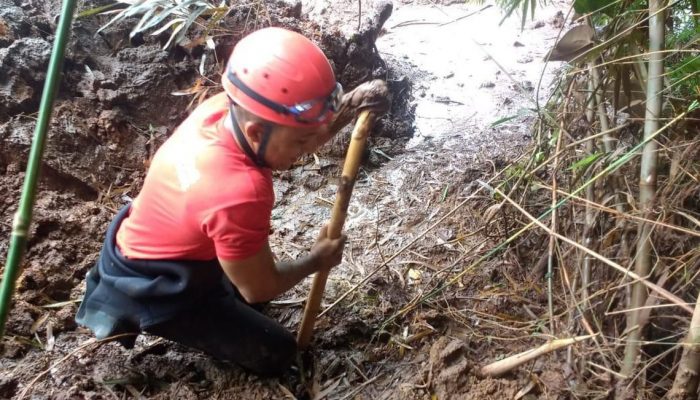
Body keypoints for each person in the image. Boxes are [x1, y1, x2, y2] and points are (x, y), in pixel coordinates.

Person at [75, 27, 390, 376]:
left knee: (255, 292)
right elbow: (258, 287)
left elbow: (295, 132)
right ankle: (160, 316)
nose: (306, 151)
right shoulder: (241, 190)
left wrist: (349, 106)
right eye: (302, 144)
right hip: (157, 284)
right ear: (256, 132)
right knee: (277, 351)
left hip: (153, 242)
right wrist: (317, 259)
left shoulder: (223, 111)